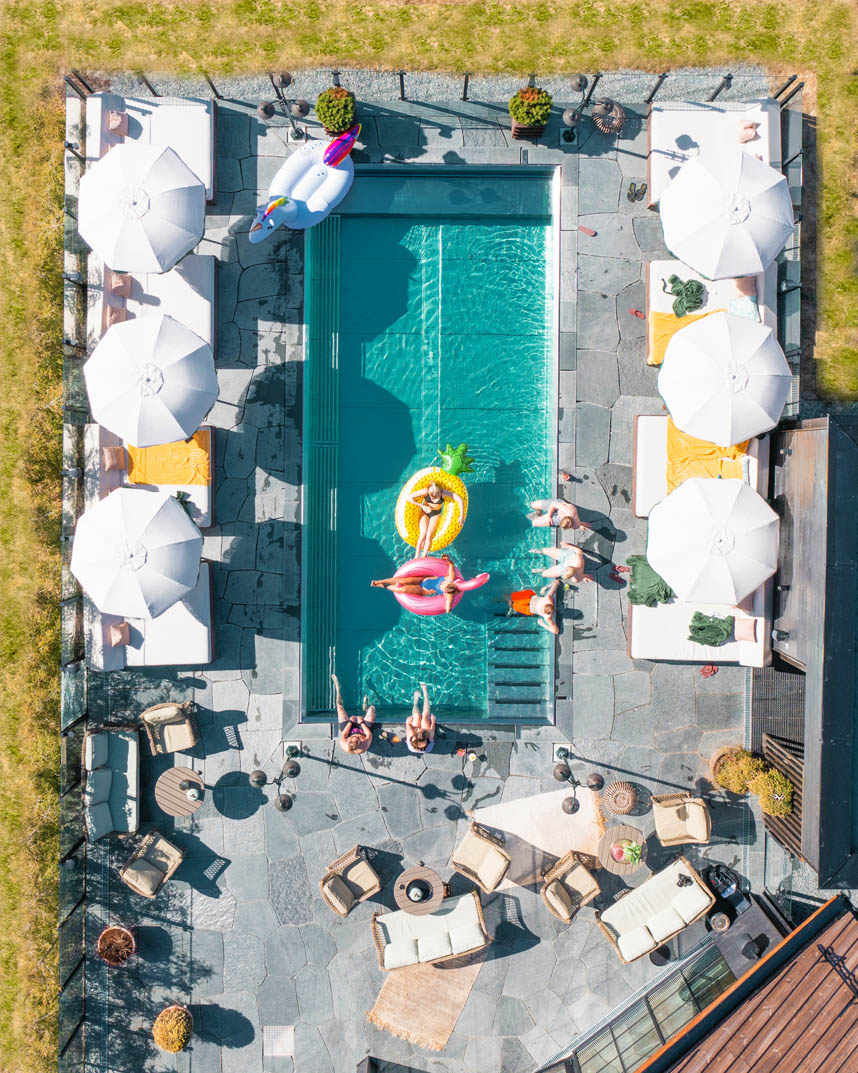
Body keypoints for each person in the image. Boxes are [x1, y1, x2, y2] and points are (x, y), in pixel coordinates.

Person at [371, 554, 459, 614]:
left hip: (422, 590)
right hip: (422, 579)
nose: (442, 588)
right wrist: (447, 559)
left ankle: (381, 586)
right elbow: (451, 565)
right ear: (449, 584)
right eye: (444, 587)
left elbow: (447, 609)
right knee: (402, 581)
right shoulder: (450, 578)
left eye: (443, 590)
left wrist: (450, 606)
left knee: (403, 589)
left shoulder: (449, 594)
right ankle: (380, 581)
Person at [408, 481, 463, 558]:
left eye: (436, 497)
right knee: (423, 533)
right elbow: (409, 497)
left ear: (439, 492)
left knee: (429, 535)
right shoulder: (426, 491)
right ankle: (416, 557)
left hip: (435, 514)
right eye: (432, 497)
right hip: (425, 512)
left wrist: (461, 515)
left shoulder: (443, 493)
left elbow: (459, 499)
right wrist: (422, 506)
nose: (434, 499)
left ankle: (424, 557)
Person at [332, 673, 376, 755]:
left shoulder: (344, 744)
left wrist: (350, 722)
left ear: (348, 740)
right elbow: (369, 734)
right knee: (372, 709)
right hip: (363, 730)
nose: (356, 736)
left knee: (339, 708)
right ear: (360, 743)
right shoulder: (364, 746)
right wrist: (362, 722)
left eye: (352, 738)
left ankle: (338, 688)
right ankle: (365, 708)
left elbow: (344, 734)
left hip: (348, 730)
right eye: (358, 738)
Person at [530, 542, 594, 584]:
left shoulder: (576, 577)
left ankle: (543, 569)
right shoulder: (578, 561)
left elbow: (582, 576)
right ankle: (537, 551)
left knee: (544, 574)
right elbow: (579, 551)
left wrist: (585, 577)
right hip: (567, 556)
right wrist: (568, 546)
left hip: (563, 566)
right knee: (545, 550)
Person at [405, 681, 436, 754]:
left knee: (416, 715)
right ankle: (425, 694)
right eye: (422, 732)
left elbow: (407, 724)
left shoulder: (411, 735)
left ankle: (415, 702)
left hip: (415, 740)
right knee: (425, 718)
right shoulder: (429, 738)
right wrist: (433, 721)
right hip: (426, 744)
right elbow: (432, 727)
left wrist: (408, 721)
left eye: (419, 731)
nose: (421, 729)